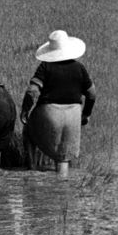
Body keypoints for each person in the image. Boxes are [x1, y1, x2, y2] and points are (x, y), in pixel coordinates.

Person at [22, 31, 94, 175]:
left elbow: (32, 91)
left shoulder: (45, 67)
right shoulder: (79, 68)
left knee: (28, 133)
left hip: (49, 112)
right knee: (63, 156)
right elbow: (92, 94)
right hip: (74, 113)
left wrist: (25, 111)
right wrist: (86, 114)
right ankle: (61, 187)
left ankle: (32, 172)